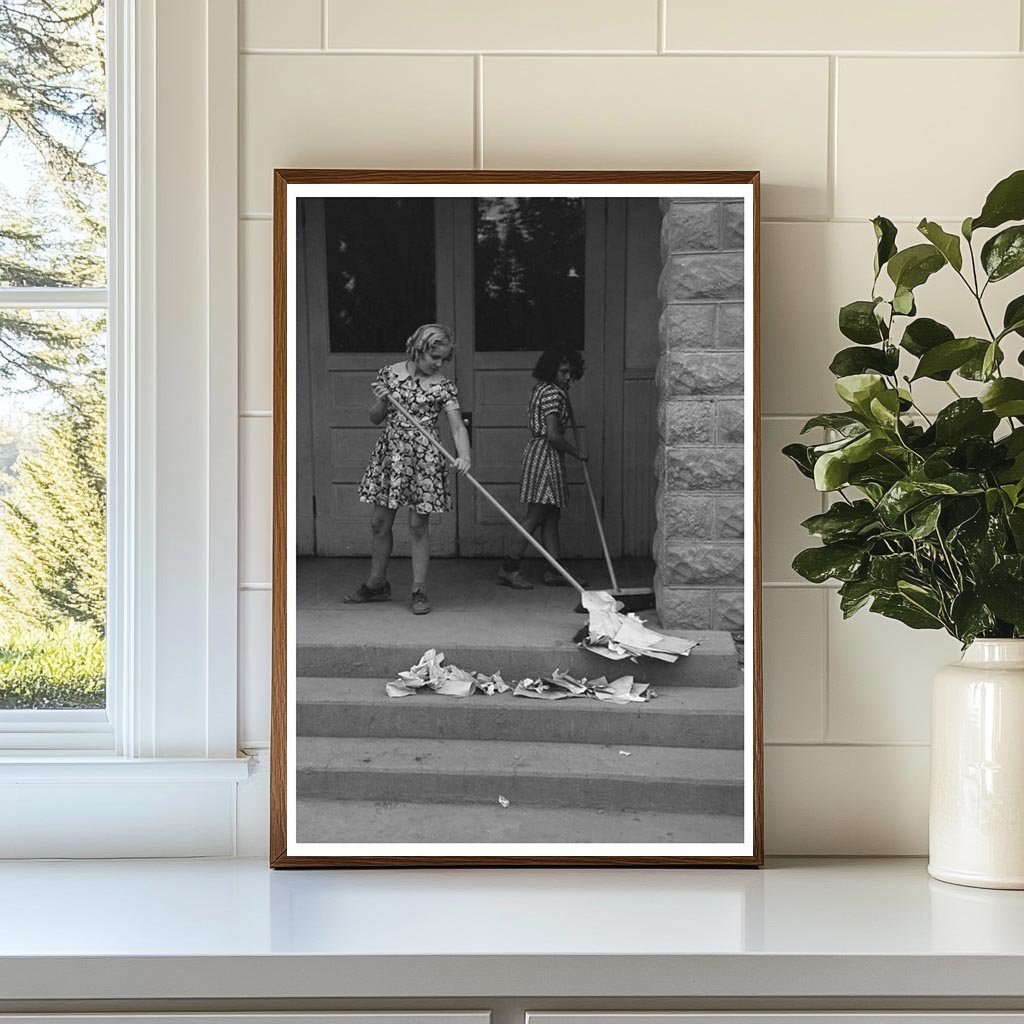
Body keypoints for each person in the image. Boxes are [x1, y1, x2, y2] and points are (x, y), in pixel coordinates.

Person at [345, 323, 471, 615]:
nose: (439, 364)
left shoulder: (443, 385)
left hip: (424, 458)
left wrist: (464, 456)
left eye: (443, 359)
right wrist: (381, 399)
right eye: (435, 357)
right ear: (419, 349)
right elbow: (374, 418)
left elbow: (456, 427)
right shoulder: (389, 374)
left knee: (418, 526)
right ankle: (376, 584)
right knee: (379, 522)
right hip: (392, 455)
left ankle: (418, 590)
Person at [498, 348, 587, 590]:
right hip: (546, 455)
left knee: (551, 514)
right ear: (551, 370)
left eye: (571, 372)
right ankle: (509, 567)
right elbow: (554, 435)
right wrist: (577, 453)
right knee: (536, 514)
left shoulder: (544, 389)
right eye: (563, 372)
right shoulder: (552, 394)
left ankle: (554, 569)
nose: (568, 377)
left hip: (542, 453)